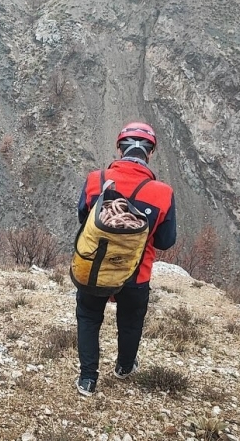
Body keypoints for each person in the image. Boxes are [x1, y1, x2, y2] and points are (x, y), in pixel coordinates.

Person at [74, 122, 177, 396]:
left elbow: (85, 220)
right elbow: (166, 241)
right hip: (136, 273)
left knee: (88, 316)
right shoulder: (163, 193)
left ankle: (87, 379)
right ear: (150, 153)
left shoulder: (95, 179)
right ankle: (124, 367)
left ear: (119, 149)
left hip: (95, 267)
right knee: (130, 322)